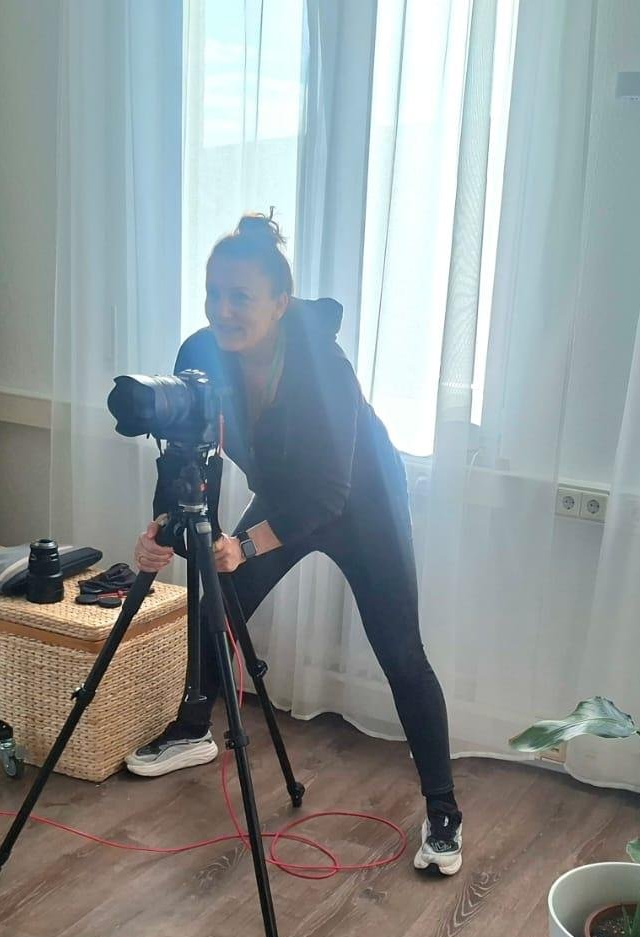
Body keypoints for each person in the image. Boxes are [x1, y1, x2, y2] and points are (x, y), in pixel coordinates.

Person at [126, 214, 463, 876]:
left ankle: (444, 810)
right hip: (288, 495)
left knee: (400, 652)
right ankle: (193, 730)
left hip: (362, 504)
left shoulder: (321, 366)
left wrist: (247, 545)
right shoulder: (200, 356)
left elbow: (329, 494)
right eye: (213, 293)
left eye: (241, 296)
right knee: (219, 604)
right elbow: (185, 457)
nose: (223, 310)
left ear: (280, 303)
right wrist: (162, 528)